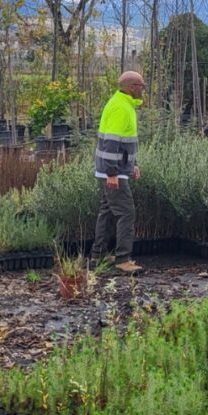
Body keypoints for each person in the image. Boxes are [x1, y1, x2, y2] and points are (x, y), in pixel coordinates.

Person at [90, 71, 145, 274]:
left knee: (106, 212)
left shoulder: (122, 105)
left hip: (112, 170)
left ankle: (98, 255)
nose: (143, 89)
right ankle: (123, 259)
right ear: (131, 87)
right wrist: (112, 172)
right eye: (141, 85)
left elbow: (124, 143)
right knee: (126, 212)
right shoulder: (121, 108)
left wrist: (133, 165)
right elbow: (111, 143)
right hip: (113, 172)